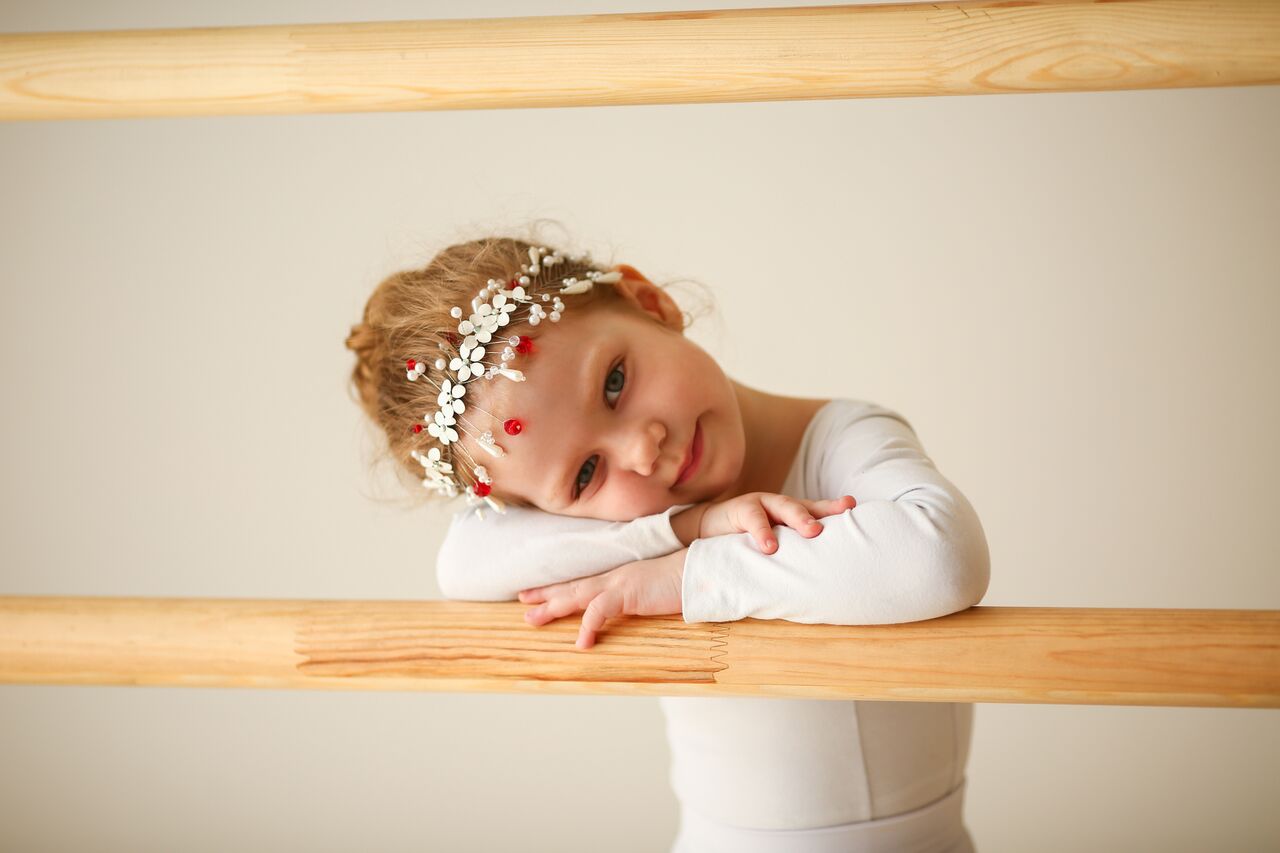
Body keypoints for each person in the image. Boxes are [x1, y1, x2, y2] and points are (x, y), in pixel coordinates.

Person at [345, 230, 991, 852]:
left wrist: (682, 576)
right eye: (586, 473)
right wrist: (687, 527)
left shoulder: (842, 438)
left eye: (614, 383)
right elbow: (462, 563)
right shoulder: (645, 520)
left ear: (649, 302)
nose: (640, 449)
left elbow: (940, 559)